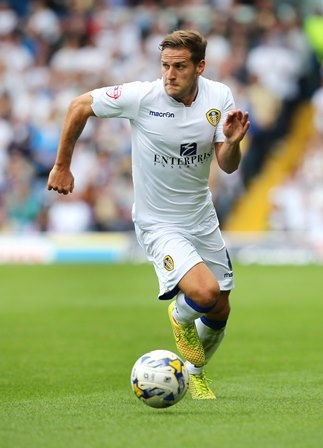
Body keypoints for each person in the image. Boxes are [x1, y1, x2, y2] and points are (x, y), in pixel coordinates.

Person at [47, 29, 250, 400]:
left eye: (179, 67)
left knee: (220, 308)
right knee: (203, 294)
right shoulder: (143, 96)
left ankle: (193, 372)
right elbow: (79, 105)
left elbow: (227, 165)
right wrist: (62, 165)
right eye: (165, 66)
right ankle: (180, 319)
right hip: (159, 223)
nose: (169, 75)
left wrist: (233, 144)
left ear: (200, 67)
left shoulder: (219, 96)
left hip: (201, 218)